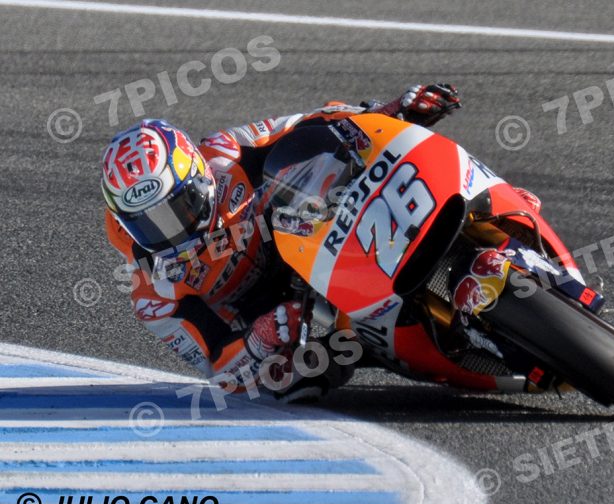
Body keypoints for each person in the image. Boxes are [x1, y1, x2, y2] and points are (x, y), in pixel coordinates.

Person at [102, 84, 463, 402]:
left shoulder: (226, 151)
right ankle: (384, 341)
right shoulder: (152, 294)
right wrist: (258, 340)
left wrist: (390, 112)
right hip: (272, 310)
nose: (170, 232)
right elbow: (219, 367)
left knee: (356, 161)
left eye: (176, 209)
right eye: (148, 225)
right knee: (290, 380)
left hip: (300, 229)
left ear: (199, 176)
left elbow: (315, 123)